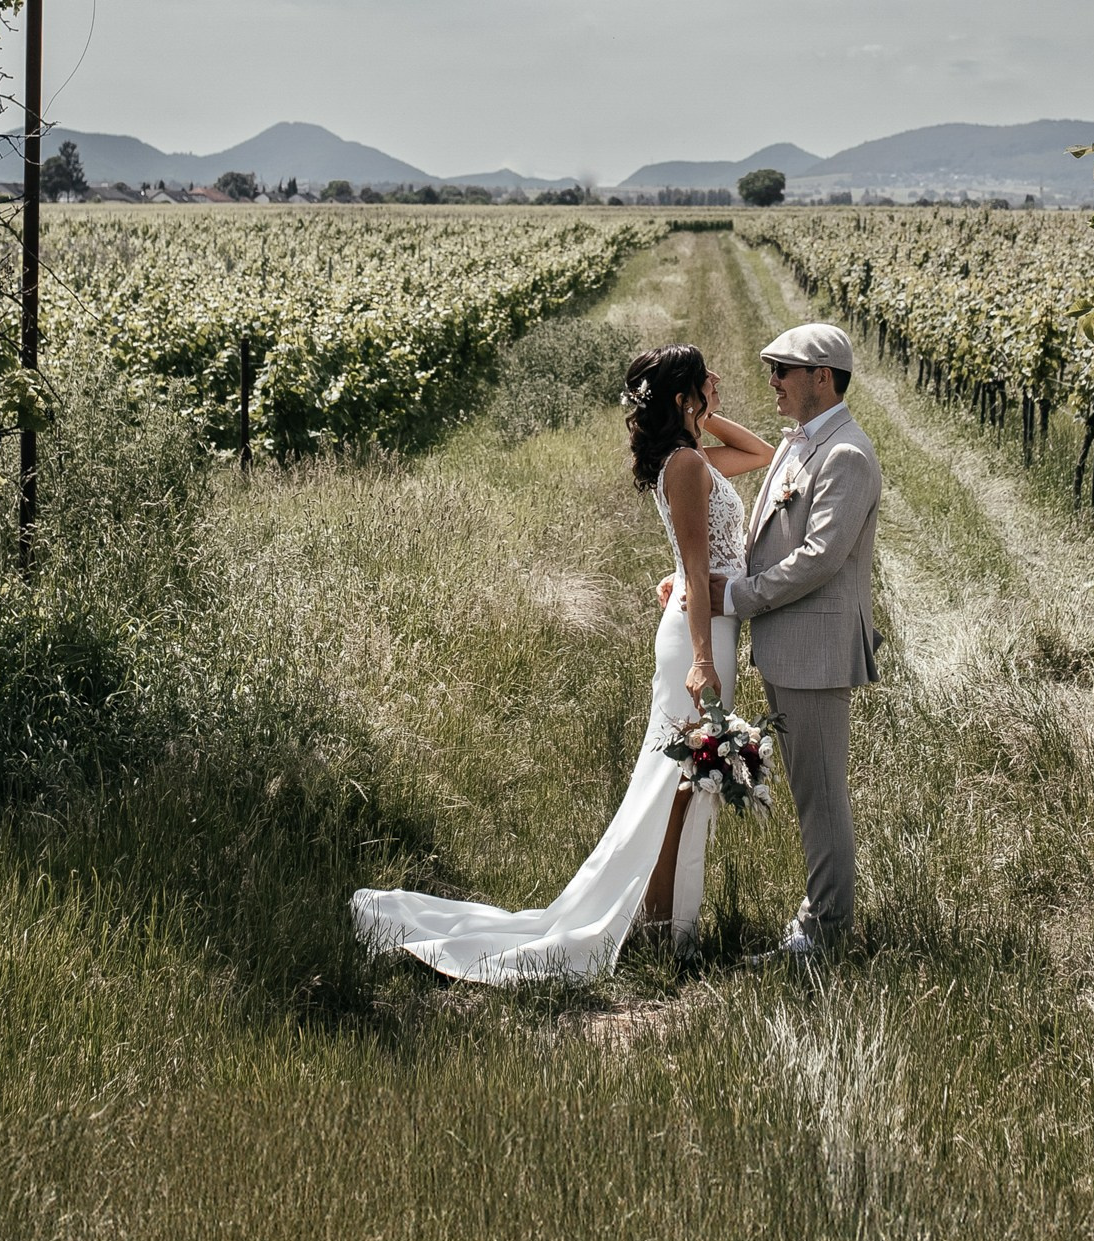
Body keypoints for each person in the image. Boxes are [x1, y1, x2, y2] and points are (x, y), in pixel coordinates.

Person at [349, 345, 773, 983]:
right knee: (676, 790)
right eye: (705, 376)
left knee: (682, 788)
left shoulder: (692, 457)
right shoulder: (685, 466)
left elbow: (760, 455)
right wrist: (706, 659)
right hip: (699, 640)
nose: (720, 379)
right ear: (683, 394)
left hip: (707, 626)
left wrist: (700, 411)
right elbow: (693, 569)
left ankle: (663, 927)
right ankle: (660, 934)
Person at [714, 323, 881, 964]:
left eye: (783, 369)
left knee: (820, 795)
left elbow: (818, 559)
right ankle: (817, 921)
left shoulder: (847, 455)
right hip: (790, 647)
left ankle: (827, 937)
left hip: (815, 652)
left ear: (822, 377)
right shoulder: (800, 444)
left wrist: (737, 597)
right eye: (771, 369)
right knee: (811, 791)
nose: (773, 381)